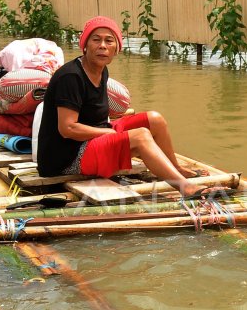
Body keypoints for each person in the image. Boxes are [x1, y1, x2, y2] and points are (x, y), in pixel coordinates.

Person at [37, 17, 207, 197]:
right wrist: (109, 134)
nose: (102, 45)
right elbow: (67, 128)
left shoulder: (101, 70)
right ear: (85, 45)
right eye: (96, 39)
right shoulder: (70, 77)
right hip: (66, 159)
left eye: (109, 41)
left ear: (116, 49)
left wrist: (110, 132)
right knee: (141, 136)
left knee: (154, 119)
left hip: (93, 138)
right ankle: (186, 188)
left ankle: (176, 168)